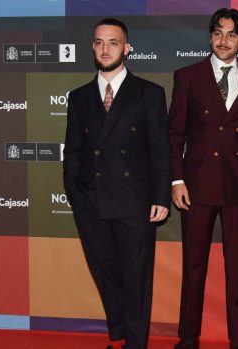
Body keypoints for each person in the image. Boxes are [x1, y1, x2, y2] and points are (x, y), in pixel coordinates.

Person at [63, 18, 171, 349]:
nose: (105, 48)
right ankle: (118, 335)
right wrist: (75, 196)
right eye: (99, 42)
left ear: (127, 48)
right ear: (93, 47)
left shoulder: (150, 93)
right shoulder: (79, 97)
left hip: (134, 202)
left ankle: (136, 344)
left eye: (113, 42)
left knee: (136, 278)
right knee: (106, 275)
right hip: (91, 203)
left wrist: (161, 197)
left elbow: (159, 149)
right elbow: (74, 152)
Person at [168, 8, 238, 349]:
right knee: (193, 265)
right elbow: (175, 134)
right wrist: (177, 180)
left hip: (237, 184)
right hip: (195, 186)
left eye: (231, 35)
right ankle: (187, 337)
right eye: (218, 33)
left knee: (237, 268)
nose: (223, 40)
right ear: (210, 36)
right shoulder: (188, 76)